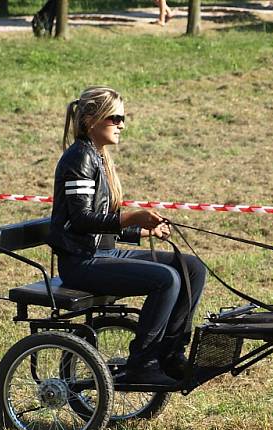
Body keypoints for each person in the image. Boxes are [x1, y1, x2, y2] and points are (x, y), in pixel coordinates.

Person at [47, 86, 206, 386]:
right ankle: (143, 362)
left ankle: (170, 352)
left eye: (123, 118)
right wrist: (132, 216)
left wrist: (142, 230)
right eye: (115, 117)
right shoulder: (79, 158)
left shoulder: (98, 157)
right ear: (90, 120)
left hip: (103, 253)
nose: (122, 124)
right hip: (82, 263)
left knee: (192, 268)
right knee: (166, 279)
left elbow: (102, 221)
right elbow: (81, 220)